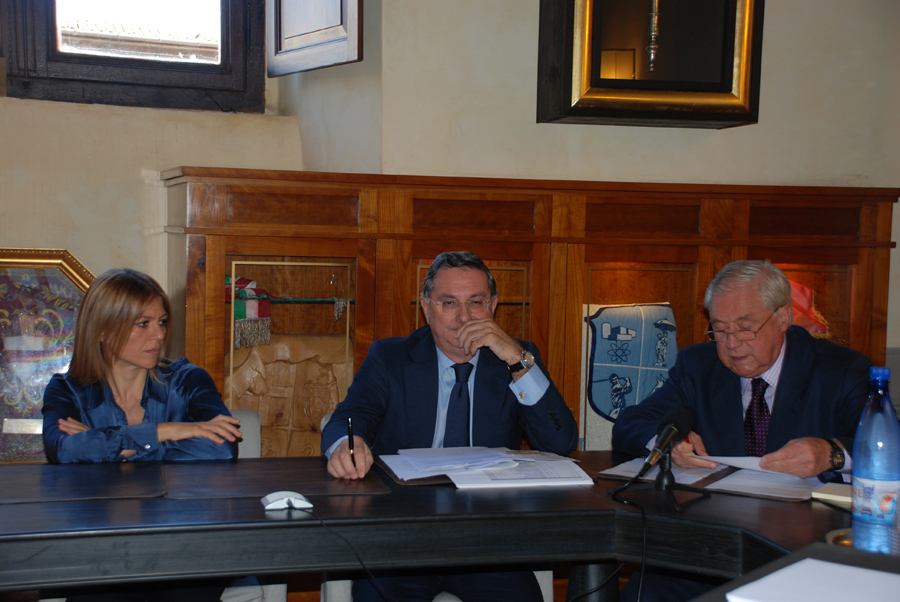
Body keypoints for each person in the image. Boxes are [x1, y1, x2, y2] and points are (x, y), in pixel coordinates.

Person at [321, 251, 578, 602]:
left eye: (476, 302)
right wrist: (345, 445)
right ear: (426, 308)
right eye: (449, 303)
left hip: (488, 540)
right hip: (402, 536)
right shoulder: (390, 358)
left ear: (493, 306)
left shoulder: (516, 359)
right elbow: (349, 418)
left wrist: (517, 360)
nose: (463, 317)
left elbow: (560, 441)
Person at [612, 259, 872, 602]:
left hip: (803, 553)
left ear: (783, 317)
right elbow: (631, 423)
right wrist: (668, 443)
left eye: (745, 328)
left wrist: (832, 453)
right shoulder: (698, 366)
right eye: (720, 330)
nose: (732, 343)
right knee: (642, 594)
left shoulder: (841, 369)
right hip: (714, 550)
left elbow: (887, 448)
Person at [43, 268, 242, 464]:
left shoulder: (187, 381)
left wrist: (107, 449)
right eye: (143, 323)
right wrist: (165, 431)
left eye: (162, 322)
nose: (160, 334)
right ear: (102, 330)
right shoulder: (66, 390)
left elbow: (223, 447)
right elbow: (63, 451)